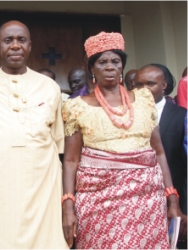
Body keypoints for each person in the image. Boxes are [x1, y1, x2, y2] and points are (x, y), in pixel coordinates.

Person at [62, 31, 183, 249]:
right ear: (91, 68)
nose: (109, 66)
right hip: (98, 200)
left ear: (122, 65)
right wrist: (68, 207)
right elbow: (70, 161)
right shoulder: (76, 107)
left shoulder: (144, 100)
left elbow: (159, 152)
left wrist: (172, 199)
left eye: (115, 61)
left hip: (147, 201)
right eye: (102, 62)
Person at [0, 20, 68, 248]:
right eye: (8, 40)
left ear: (30, 45)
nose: (15, 46)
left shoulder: (49, 87)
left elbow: (59, 143)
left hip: (43, 182)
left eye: (21, 40)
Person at [134, 63, 187, 248]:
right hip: (136, 204)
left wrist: (184, 208)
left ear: (164, 85)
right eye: (138, 85)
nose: (143, 90)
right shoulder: (124, 116)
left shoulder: (182, 117)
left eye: (150, 84)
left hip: (173, 204)